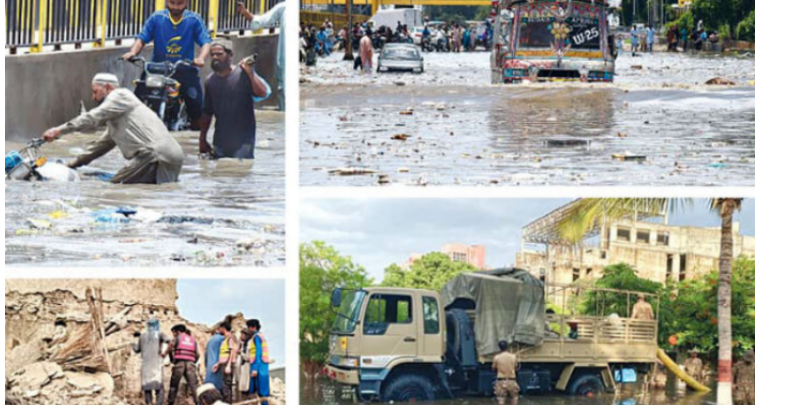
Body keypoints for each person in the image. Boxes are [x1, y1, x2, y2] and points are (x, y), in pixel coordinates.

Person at [42, 74, 185, 184]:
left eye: (95, 92)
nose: (93, 97)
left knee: (115, 187)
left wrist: (58, 131)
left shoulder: (119, 96)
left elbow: (91, 118)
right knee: (155, 192)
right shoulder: (118, 115)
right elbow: (101, 146)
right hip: (172, 155)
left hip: (153, 155)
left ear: (108, 87)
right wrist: (72, 164)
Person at [122, 0, 211, 129]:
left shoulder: (194, 19)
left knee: (195, 104)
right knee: (137, 99)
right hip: (157, 70)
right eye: (172, 3)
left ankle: (199, 136)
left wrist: (201, 58)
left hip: (184, 70)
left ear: (186, 3)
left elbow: (206, 42)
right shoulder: (157, 18)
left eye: (179, 4)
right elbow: (142, 38)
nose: (175, 7)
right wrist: (132, 52)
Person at [200, 40, 271, 160]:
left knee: (239, 173)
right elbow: (207, 113)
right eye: (212, 55)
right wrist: (202, 139)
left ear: (230, 55)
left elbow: (263, 93)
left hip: (243, 142)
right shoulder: (210, 81)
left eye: (219, 54)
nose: (215, 57)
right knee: (220, 175)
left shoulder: (243, 74)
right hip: (220, 142)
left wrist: (250, 73)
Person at [236, 1, 286, 111]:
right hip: (284, 67)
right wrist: (245, 13)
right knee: (283, 92)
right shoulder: (284, 7)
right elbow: (261, 21)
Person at [133, 319, 170, 405]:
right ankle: (158, 403)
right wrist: (164, 352)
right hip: (156, 364)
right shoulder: (160, 334)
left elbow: (137, 349)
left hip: (146, 366)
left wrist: (133, 343)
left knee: (147, 387)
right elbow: (168, 340)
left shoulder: (142, 336)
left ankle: (149, 403)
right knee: (159, 387)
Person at [166, 324, 200, 405]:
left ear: (178, 331)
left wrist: (171, 357)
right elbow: (197, 354)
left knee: (174, 386)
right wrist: (192, 362)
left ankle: (170, 403)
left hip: (179, 364)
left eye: (174, 333)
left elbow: (170, 347)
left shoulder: (177, 338)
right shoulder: (193, 340)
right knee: (194, 387)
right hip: (190, 364)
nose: (173, 335)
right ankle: (198, 403)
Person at [246, 319, 272, 403]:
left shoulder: (256, 337)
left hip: (258, 366)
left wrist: (255, 369)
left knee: (261, 392)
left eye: (248, 327)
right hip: (263, 367)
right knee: (262, 392)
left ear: (253, 327)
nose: (248, 330)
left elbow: (258, 352)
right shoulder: (261, 337)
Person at [215, 322, 240, 403]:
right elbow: (223, 353)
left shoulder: (230, 338)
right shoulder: (225, 339)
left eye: (220, 328)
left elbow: (232, 351)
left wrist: (228, 365)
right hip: (223, 364)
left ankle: (227, 403)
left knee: (226, 387)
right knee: (224, 386)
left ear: (223, 328)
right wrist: (218, 364)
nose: (219, 330)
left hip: (227, 364)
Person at [492, 340, 519, 405]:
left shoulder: (497, 357)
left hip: (501, 381)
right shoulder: (513, 357)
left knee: (501, 400)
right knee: (514, 399)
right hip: (512, 381)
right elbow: (516, 367)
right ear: (507, 347)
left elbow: (493, 368)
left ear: (499, 347)